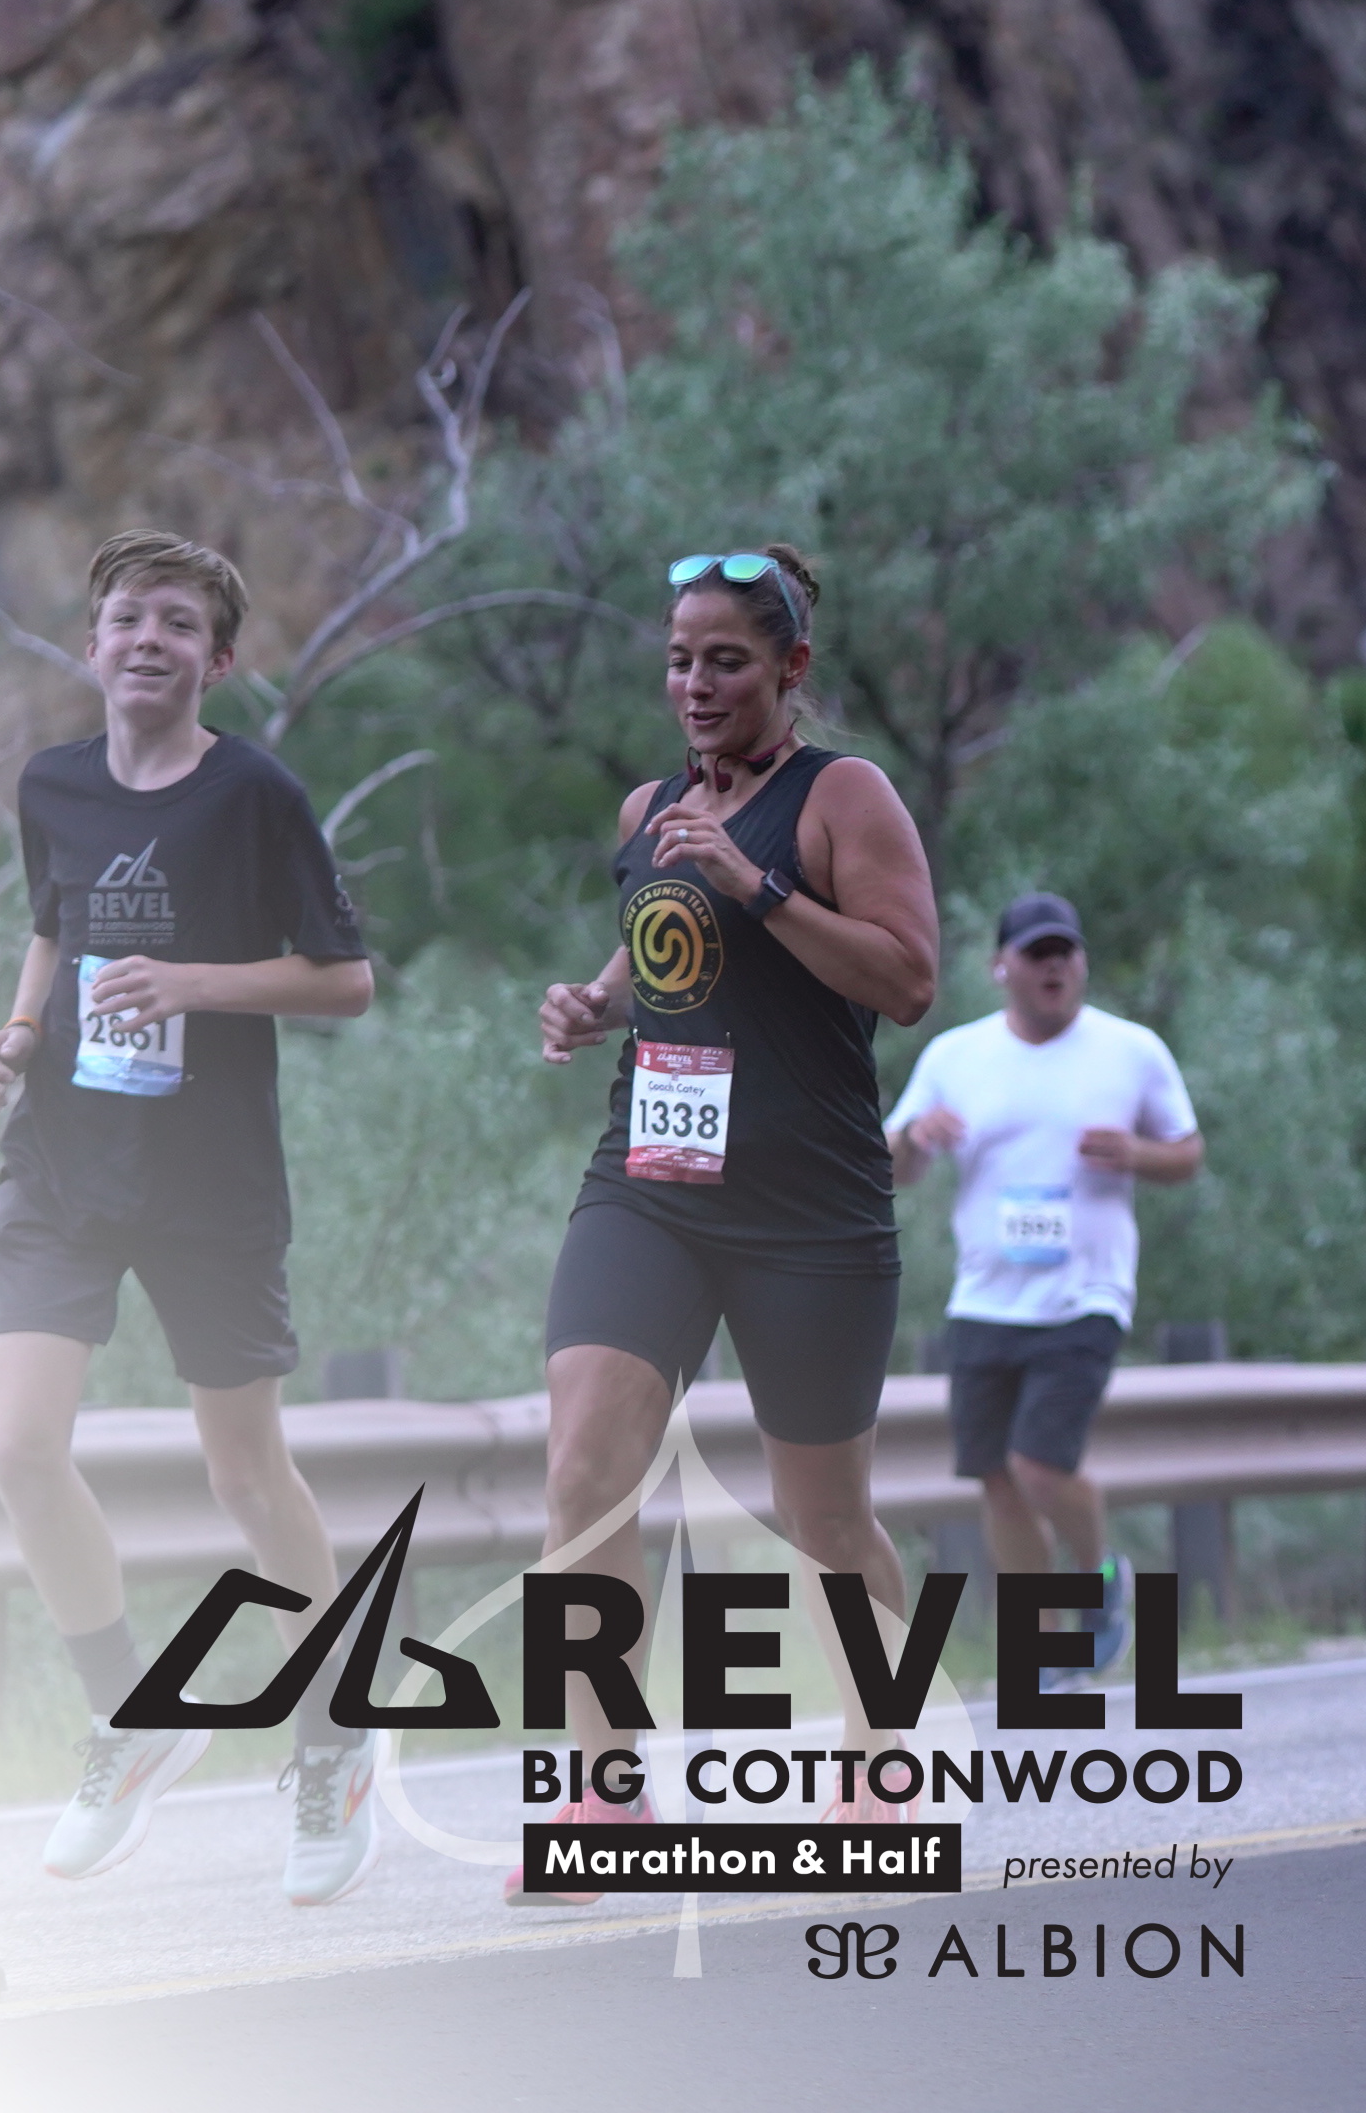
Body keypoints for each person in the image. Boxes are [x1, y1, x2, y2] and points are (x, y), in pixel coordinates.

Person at [518, 545, 944, 1901]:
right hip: (649, 1182)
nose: (695, 684)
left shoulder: (843, 796)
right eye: (679, 660)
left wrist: (761, 884)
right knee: (584, 1468)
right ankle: (605, 1789)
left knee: (825, 1519)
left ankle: (877, 1759)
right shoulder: (654, 807)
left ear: (790, 668)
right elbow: (670, 954)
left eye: (726, 661)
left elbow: (910, 980)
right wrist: (595, 1002)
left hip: (808, 1205)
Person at [0, 531, 377, 1903]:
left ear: (219, 658)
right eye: (125, 617)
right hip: (64, 1164)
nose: (145, 638)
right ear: (92, 644)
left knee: (245, 1476)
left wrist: (191, 983)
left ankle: (333, 1742)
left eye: (175, 622)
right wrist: (23, 1027)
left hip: (209, 1181)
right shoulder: (51, 783)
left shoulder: (254, 795)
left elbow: (345, 981)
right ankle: (131, 1715)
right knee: (17, 1444)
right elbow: (55, 921)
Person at [884, 891, 1202, 1677]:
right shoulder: (956, 1055)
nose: (1054, 965)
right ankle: (1046, 1644)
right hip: (984, 1297)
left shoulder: (1131, 1051)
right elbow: (893, 1166)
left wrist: (1136, 1153)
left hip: (1085, 1294)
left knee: (1038, 1466)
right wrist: (916, 1137)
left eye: (1065, 951)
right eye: (1036, 953)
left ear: (1082, 964)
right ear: (1002, 966)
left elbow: (1187, 1153)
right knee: (996, 1480)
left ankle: (1101, 1581)